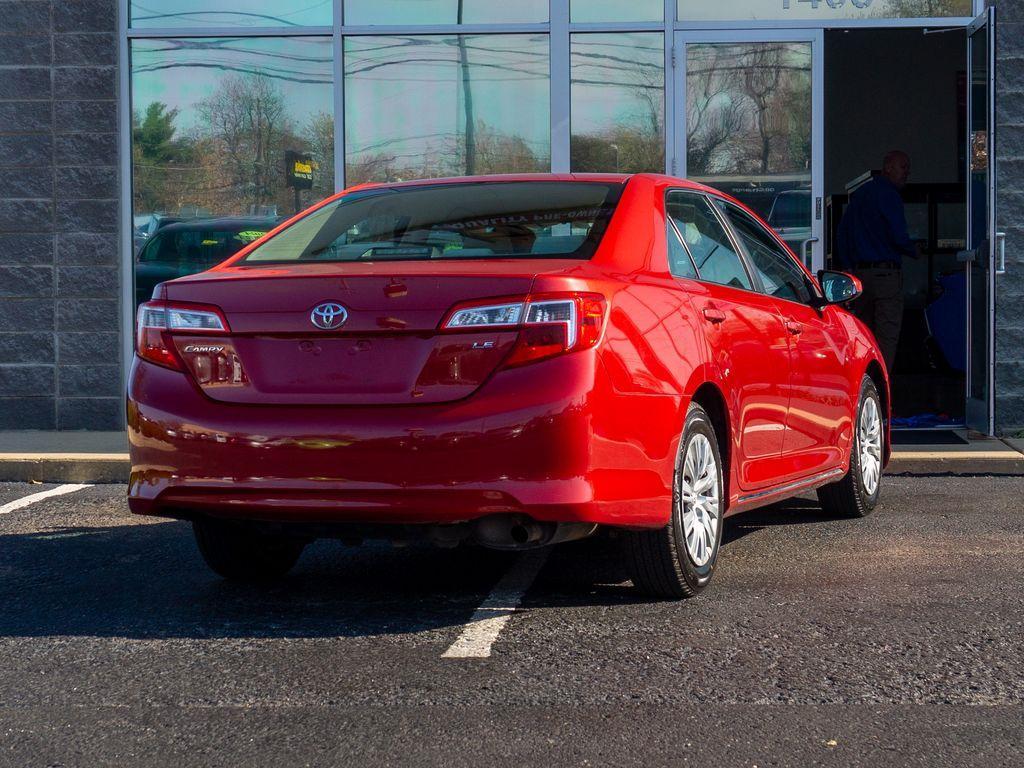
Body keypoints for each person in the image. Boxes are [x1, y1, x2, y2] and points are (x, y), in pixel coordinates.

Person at [837, 150, 920, 373]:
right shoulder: (889, 195)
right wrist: (915, 250)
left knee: (863, 334)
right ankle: (882, 389)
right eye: (904, 167)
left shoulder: (861, 195)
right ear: (888, 167)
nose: (907, 173)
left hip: (860, 278)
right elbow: (898, 235)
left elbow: (842, 233)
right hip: (886, 277)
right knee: (886, 338)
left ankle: (864, 384)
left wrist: (848, 266)